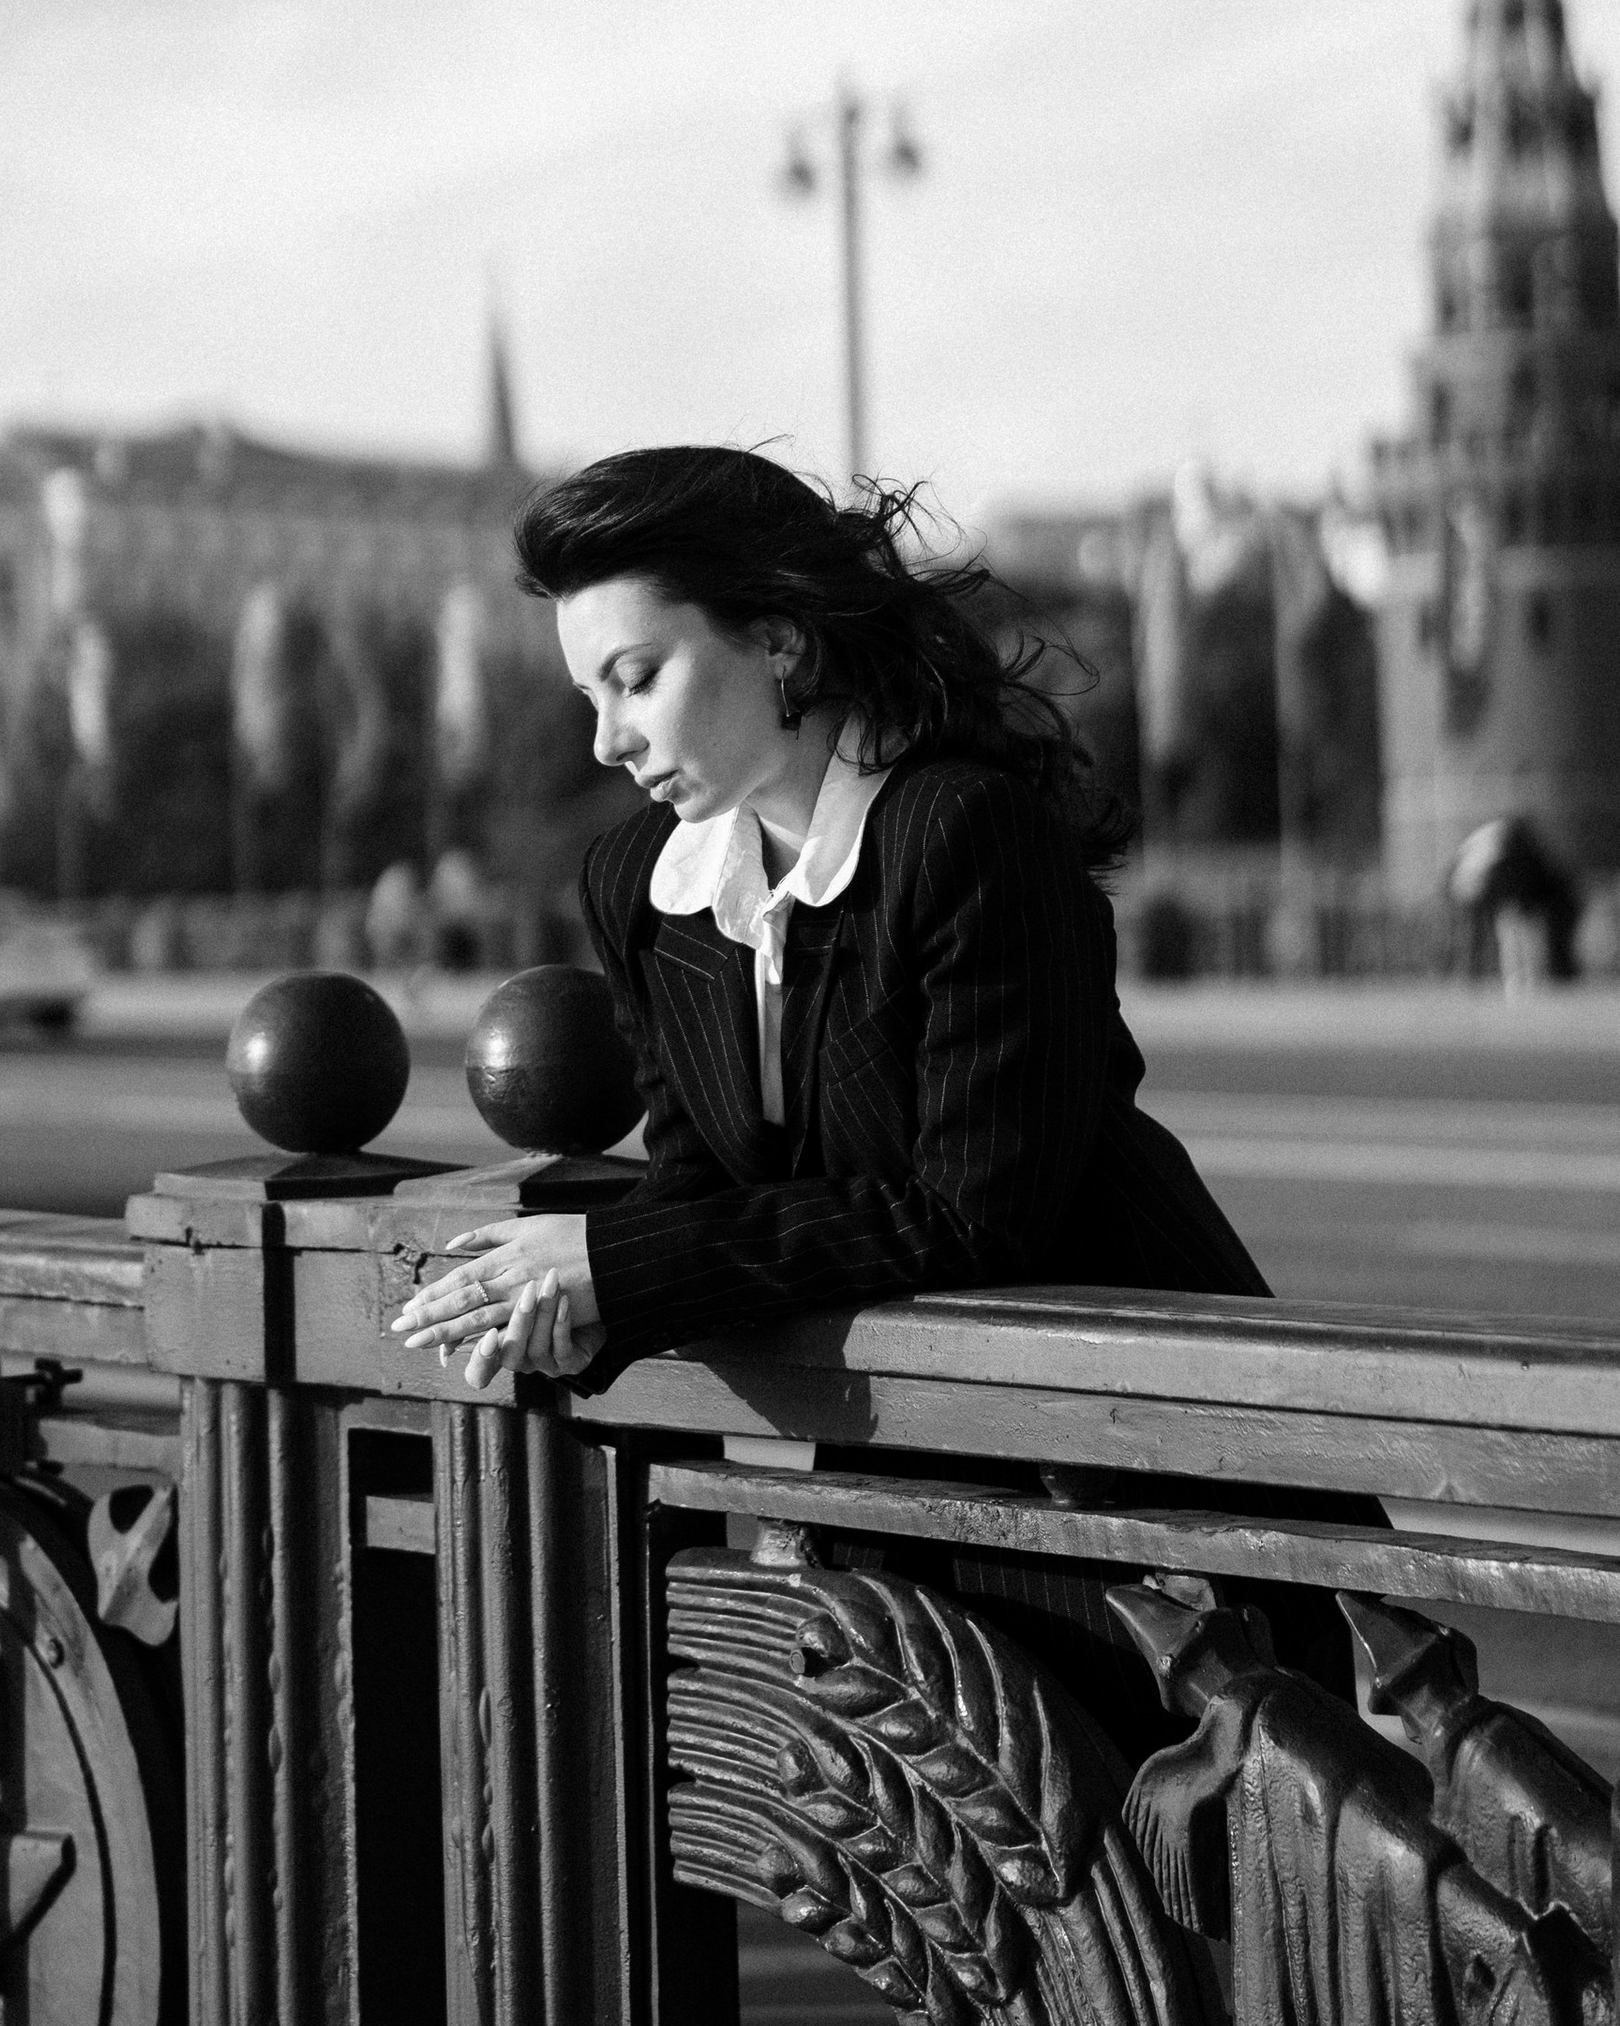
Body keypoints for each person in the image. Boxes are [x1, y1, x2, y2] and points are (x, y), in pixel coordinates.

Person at [393, 443, 1266, 1395]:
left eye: (637, 679)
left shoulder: (965, 834)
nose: (609, 741)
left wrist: (616, 1263)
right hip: (893, 1426)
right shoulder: (637, 880)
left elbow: (972, 1217)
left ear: (781, 642)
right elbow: (695, 1183)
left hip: (1131, 1406)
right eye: (590, 696)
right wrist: (584, 1318)